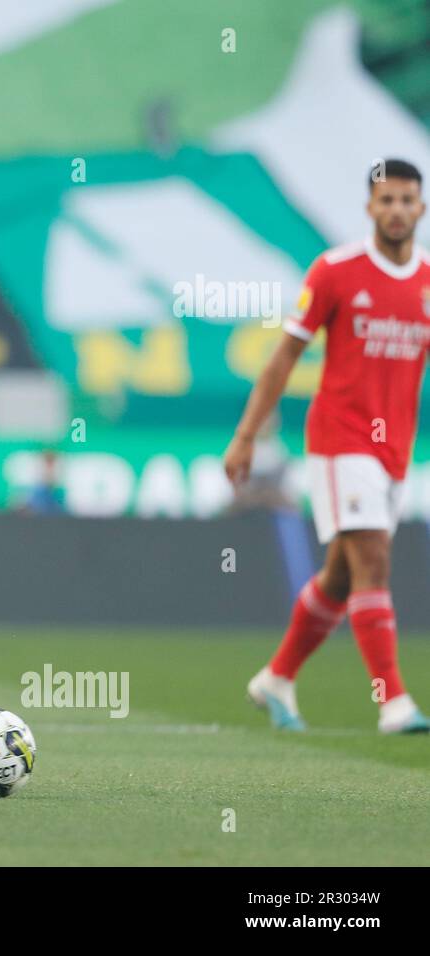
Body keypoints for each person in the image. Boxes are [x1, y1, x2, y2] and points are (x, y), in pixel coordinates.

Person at [225, 158, 430, 734]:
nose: (395, 210)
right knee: (374, 560)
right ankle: (393, 701)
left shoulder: (426, 282)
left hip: (394, 453)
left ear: (421, 207)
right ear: (369, 207)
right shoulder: (335, 272)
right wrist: (245, 436)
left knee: (341, 579)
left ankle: (276, 678)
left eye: (406, 200)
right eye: (385, 200)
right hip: (342, 440)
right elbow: (284, 356)